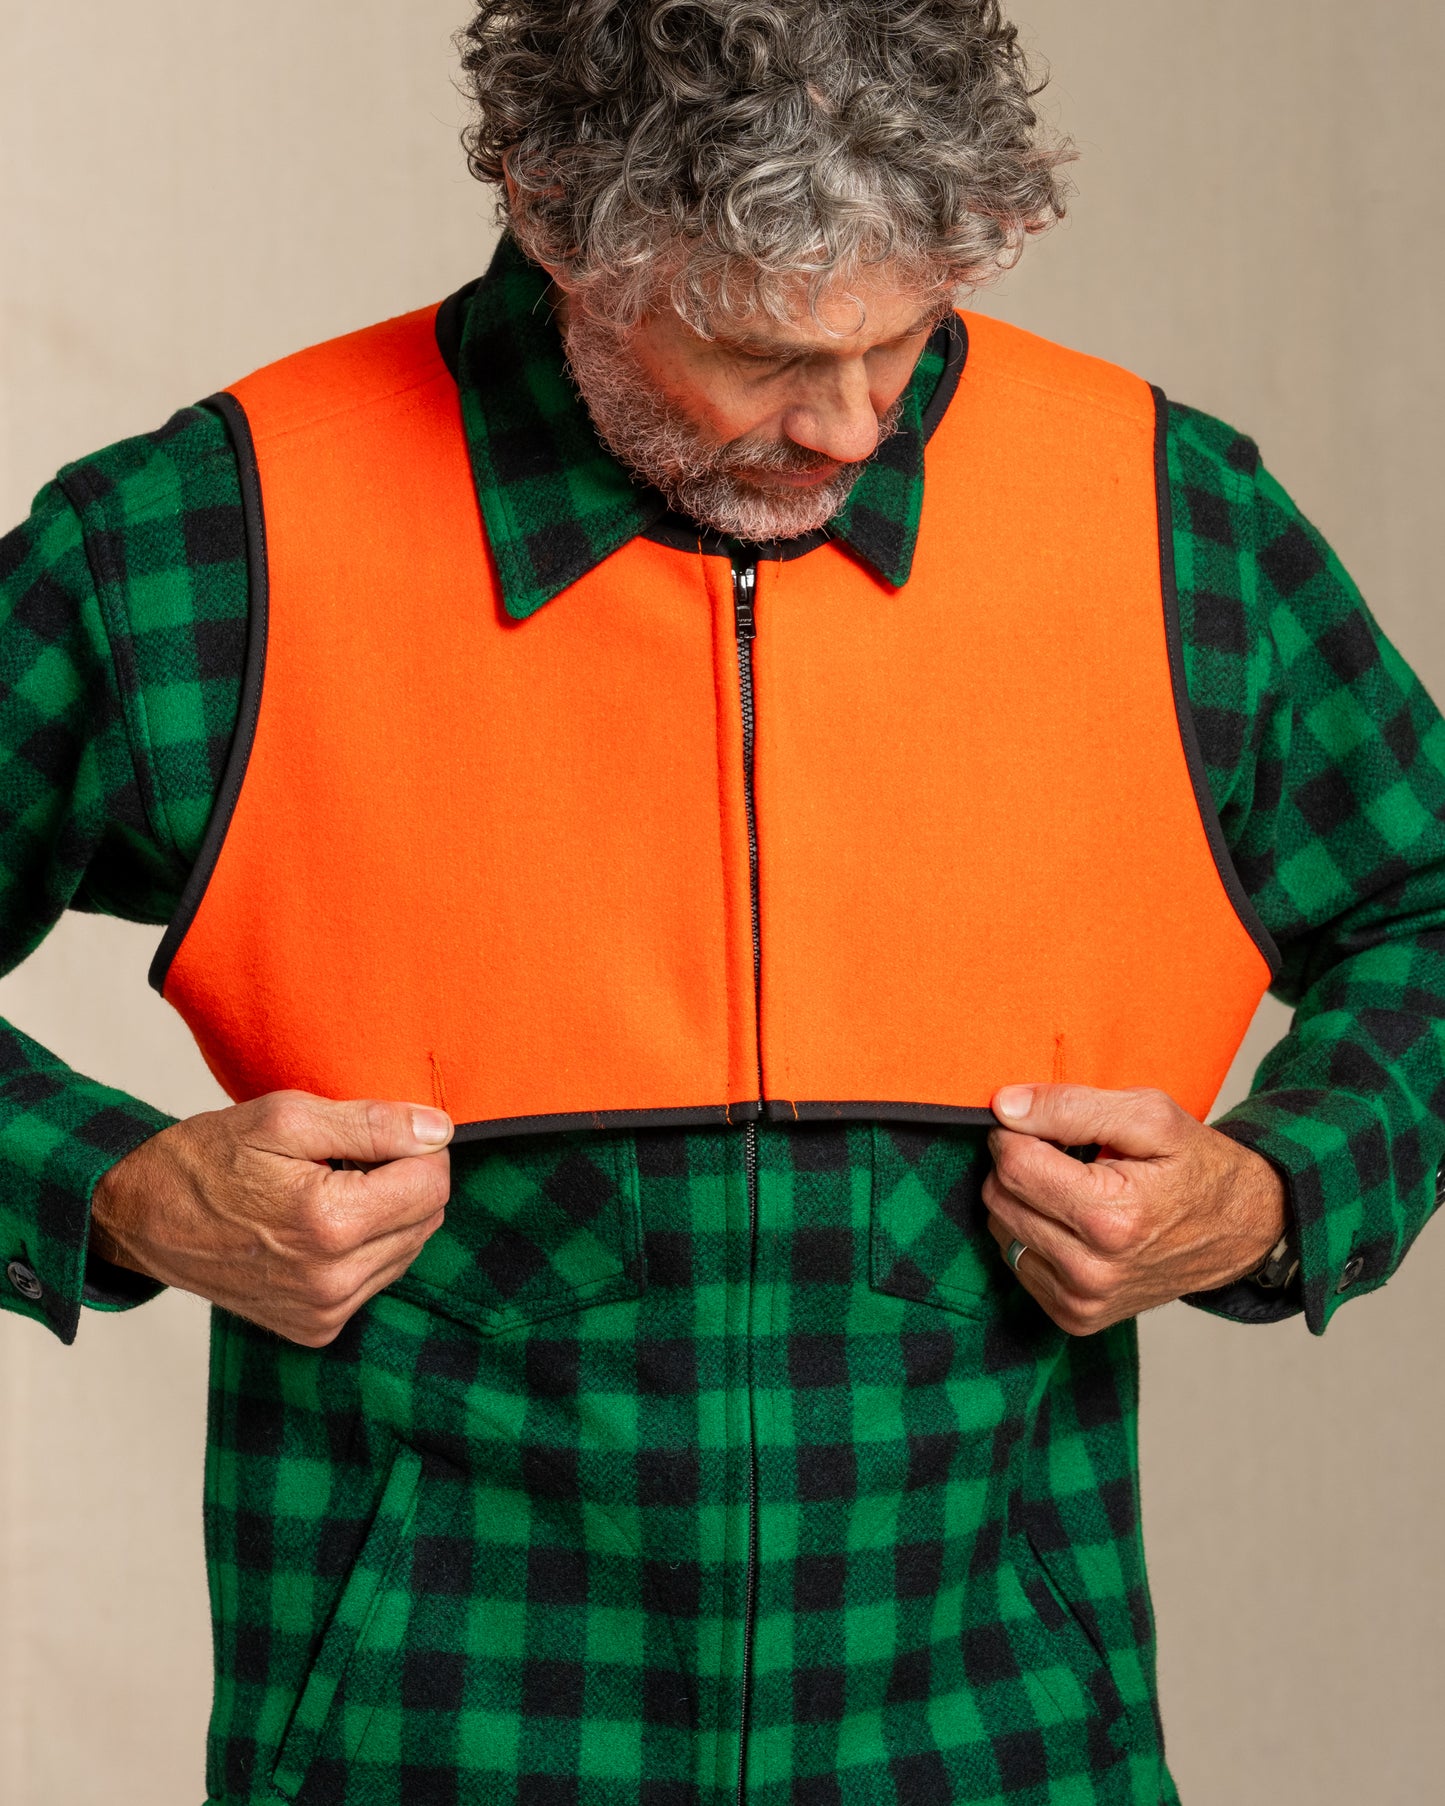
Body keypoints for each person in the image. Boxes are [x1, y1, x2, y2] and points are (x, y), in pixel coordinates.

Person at [2, 2, 1442, 1801]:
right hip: (424, 1745)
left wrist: (1276, 1188)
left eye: (911, 337)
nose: (850, 425)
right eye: (758, 350)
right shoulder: (204, 543)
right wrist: (117, 1193)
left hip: (1005, 1746)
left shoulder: (1172, 518)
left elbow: (1426, 911)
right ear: (551, 222)